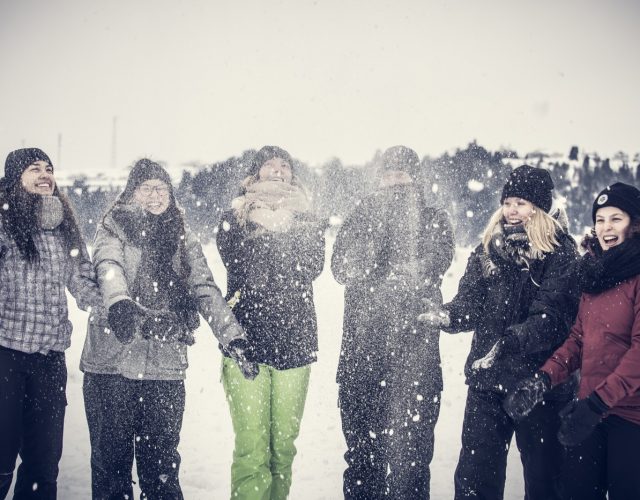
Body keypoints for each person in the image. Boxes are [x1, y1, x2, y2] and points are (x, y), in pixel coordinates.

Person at [80, 158, 255, 499]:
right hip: (111, 365)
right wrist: (121, 304)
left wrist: (232, 336)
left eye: (162, 188)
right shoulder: (113, 226)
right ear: (131, 193)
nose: (155, 195)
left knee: (161, 470)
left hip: (165, 368)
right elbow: (109, 265)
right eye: (146, 188)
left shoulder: (183, 236)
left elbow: (204, 287)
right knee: (111, 470)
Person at [441, 165, 579, 500]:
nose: (512, 209)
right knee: (475, 481)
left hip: (537, 385)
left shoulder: (559, 252)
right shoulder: (489, 249)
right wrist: (445, 315)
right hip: (487, 382)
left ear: (539, 207)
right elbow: (469, 305)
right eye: (508, 201)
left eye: (521, 202)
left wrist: (511, 341)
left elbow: (553, 316)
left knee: (545, 481)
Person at [331, 145, 455, 499]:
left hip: (414, 363)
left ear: (415, 177)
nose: (395, 180)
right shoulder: (361, 215)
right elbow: (343, 267)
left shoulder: (433, 218)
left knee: (410, 466)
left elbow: (427, 268)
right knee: (361, 462)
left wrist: (383, 273)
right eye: (389, 173)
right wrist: (376, 229)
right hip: (360, 360)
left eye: (402, 173)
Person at [504, 182, 640, 500]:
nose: (606, 228)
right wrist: (542, 379)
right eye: (600, 219)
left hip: (630, 417)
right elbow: (578, 341)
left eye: (615, 219)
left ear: (634, 224)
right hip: (588, 413)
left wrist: (597, 403)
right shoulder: (593, 274)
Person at [216, 145, 325, 500]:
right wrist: (272, 230)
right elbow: (238, 262)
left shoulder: (308, 217)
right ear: (255, 173)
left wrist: (284, 228)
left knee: (283, 449)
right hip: (245, 343)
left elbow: (310, 266)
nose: (278, 170)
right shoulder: (234, 215)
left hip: (295, 341)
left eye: (285, 165)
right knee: (251, 447)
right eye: (269, 165)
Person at [0, 148, 102, 499]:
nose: (45, 174)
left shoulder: (64, 227)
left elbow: (82, 278)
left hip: (49, 360)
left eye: (49, 168)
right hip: (5, 358)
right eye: (34, 168)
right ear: (16, 178)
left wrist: (113, 306)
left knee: (43, 465)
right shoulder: (3, 221)